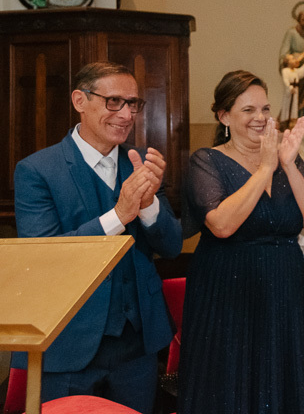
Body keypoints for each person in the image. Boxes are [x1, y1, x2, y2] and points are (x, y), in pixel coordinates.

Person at [13, 61, 181, 413]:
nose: (126, 114)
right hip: (67, 344)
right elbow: (43, 257)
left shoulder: (138, 165)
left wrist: (149, 206)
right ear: (79, 100)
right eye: (113, 102)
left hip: (137, 343)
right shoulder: (37, 170)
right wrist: (119, 216)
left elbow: (171, 246)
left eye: (133, 104)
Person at [178, 70, 304, 414]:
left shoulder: (286, 159)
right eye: (248, 110)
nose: (260, 118)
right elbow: (222, 225)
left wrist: (287, 165)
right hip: (229, 292)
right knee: (231, 383)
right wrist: (264, 168)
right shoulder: (206, 160)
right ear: (224, 116)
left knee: (284, 377)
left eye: (265, 109)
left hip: (286, 289)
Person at [279, 2, 304, 123]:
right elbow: (284, 54)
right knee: (293, 98)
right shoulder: (291, 33)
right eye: (303, 19)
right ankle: (290, 120)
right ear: (298, 20)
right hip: (295, 71)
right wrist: (293, 59)